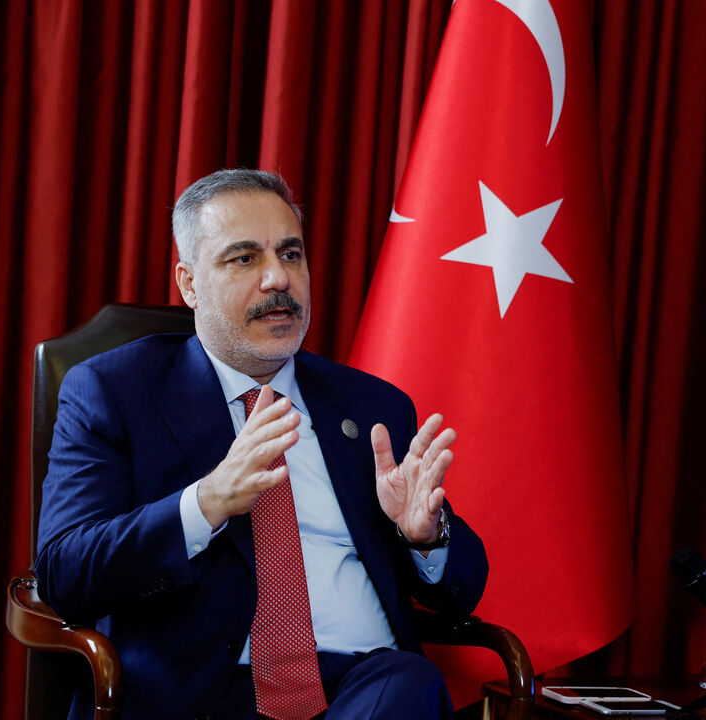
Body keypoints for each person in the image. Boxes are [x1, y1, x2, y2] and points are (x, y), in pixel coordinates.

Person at [35, 169, 488, 720]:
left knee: (409, 680)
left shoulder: (371, 406)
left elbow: (460, 591)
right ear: (190, 283)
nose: (278, 279)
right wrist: (206, 503)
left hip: (365, 693)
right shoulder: (113, 391)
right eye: (245, 258)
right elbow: (66, 572)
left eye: (291, 255)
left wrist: (424, 537)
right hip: (200, 694)